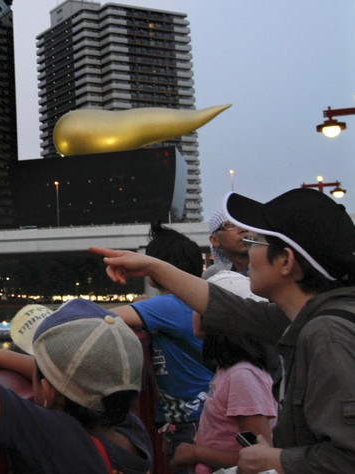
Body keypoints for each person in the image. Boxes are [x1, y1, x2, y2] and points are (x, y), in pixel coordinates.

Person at [90, 188, 355, 473]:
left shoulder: (326, 334)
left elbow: (347, 457)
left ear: (286, 261)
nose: (247, 250)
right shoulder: (301, 317)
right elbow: (226, 308)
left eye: (254, 240)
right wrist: (152, 265)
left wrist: (276, 460)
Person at [0, 299, 153, 473]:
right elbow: (77, 380)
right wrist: (0, 357)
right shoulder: (132, 429)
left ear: (48, 392)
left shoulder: (58, 436)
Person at [111, 222, 214, 471]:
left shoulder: (169, 305)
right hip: (205, 416)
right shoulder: (187, 303)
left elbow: (97, 317)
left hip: (189, 425)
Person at [171, 272, 277, 474]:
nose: (193, 311)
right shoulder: (231, 369)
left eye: (199, 305)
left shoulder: (242, 375)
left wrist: (197, 453)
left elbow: (261, 459)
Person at [203, 208, 250, 279]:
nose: (243, 229)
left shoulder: (271, 270)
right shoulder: (215, 277)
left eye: (245, 223)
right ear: (215, 240)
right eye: (230, 224)